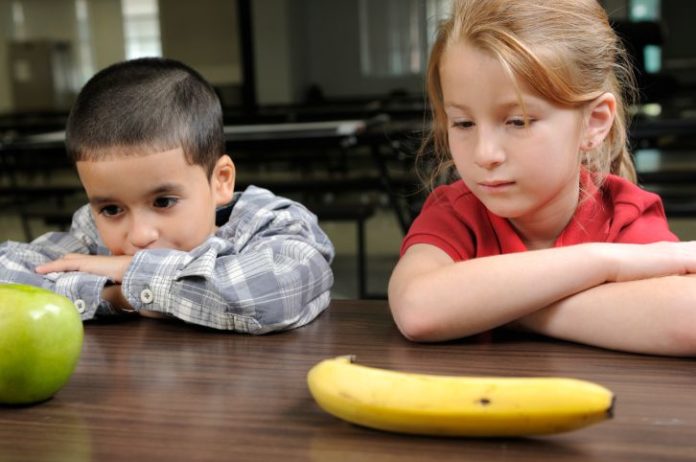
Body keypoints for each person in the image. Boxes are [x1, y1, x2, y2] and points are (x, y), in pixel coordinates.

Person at [388, 0, 696, 355]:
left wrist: (488, 307)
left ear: (594, 123)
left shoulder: (623, 214)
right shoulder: (454, 213)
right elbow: (418, 310)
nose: (485, 154)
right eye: (463, 123)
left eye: (518, 121)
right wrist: (604, 261)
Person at [0, 58, 335, 334]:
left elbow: (274, 293)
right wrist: (118, 295)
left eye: (163, 202)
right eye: (112, 208)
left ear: (220, 181)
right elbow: (7, 272)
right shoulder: (91, 228)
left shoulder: (271, 222)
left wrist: (128, 277)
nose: (140, 235)